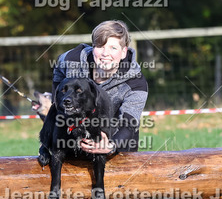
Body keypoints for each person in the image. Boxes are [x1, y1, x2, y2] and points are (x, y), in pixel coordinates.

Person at [36, 20, 148, 154]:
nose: (105, 53)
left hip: (116, 141)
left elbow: (129, 124)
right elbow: (58, 68)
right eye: (100, 46)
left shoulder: (136, 83)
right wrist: (58, 101)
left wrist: (111, 146)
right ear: (93, 47)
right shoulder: (72, 60)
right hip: (74, 138)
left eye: (113, 48)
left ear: (124, 51)